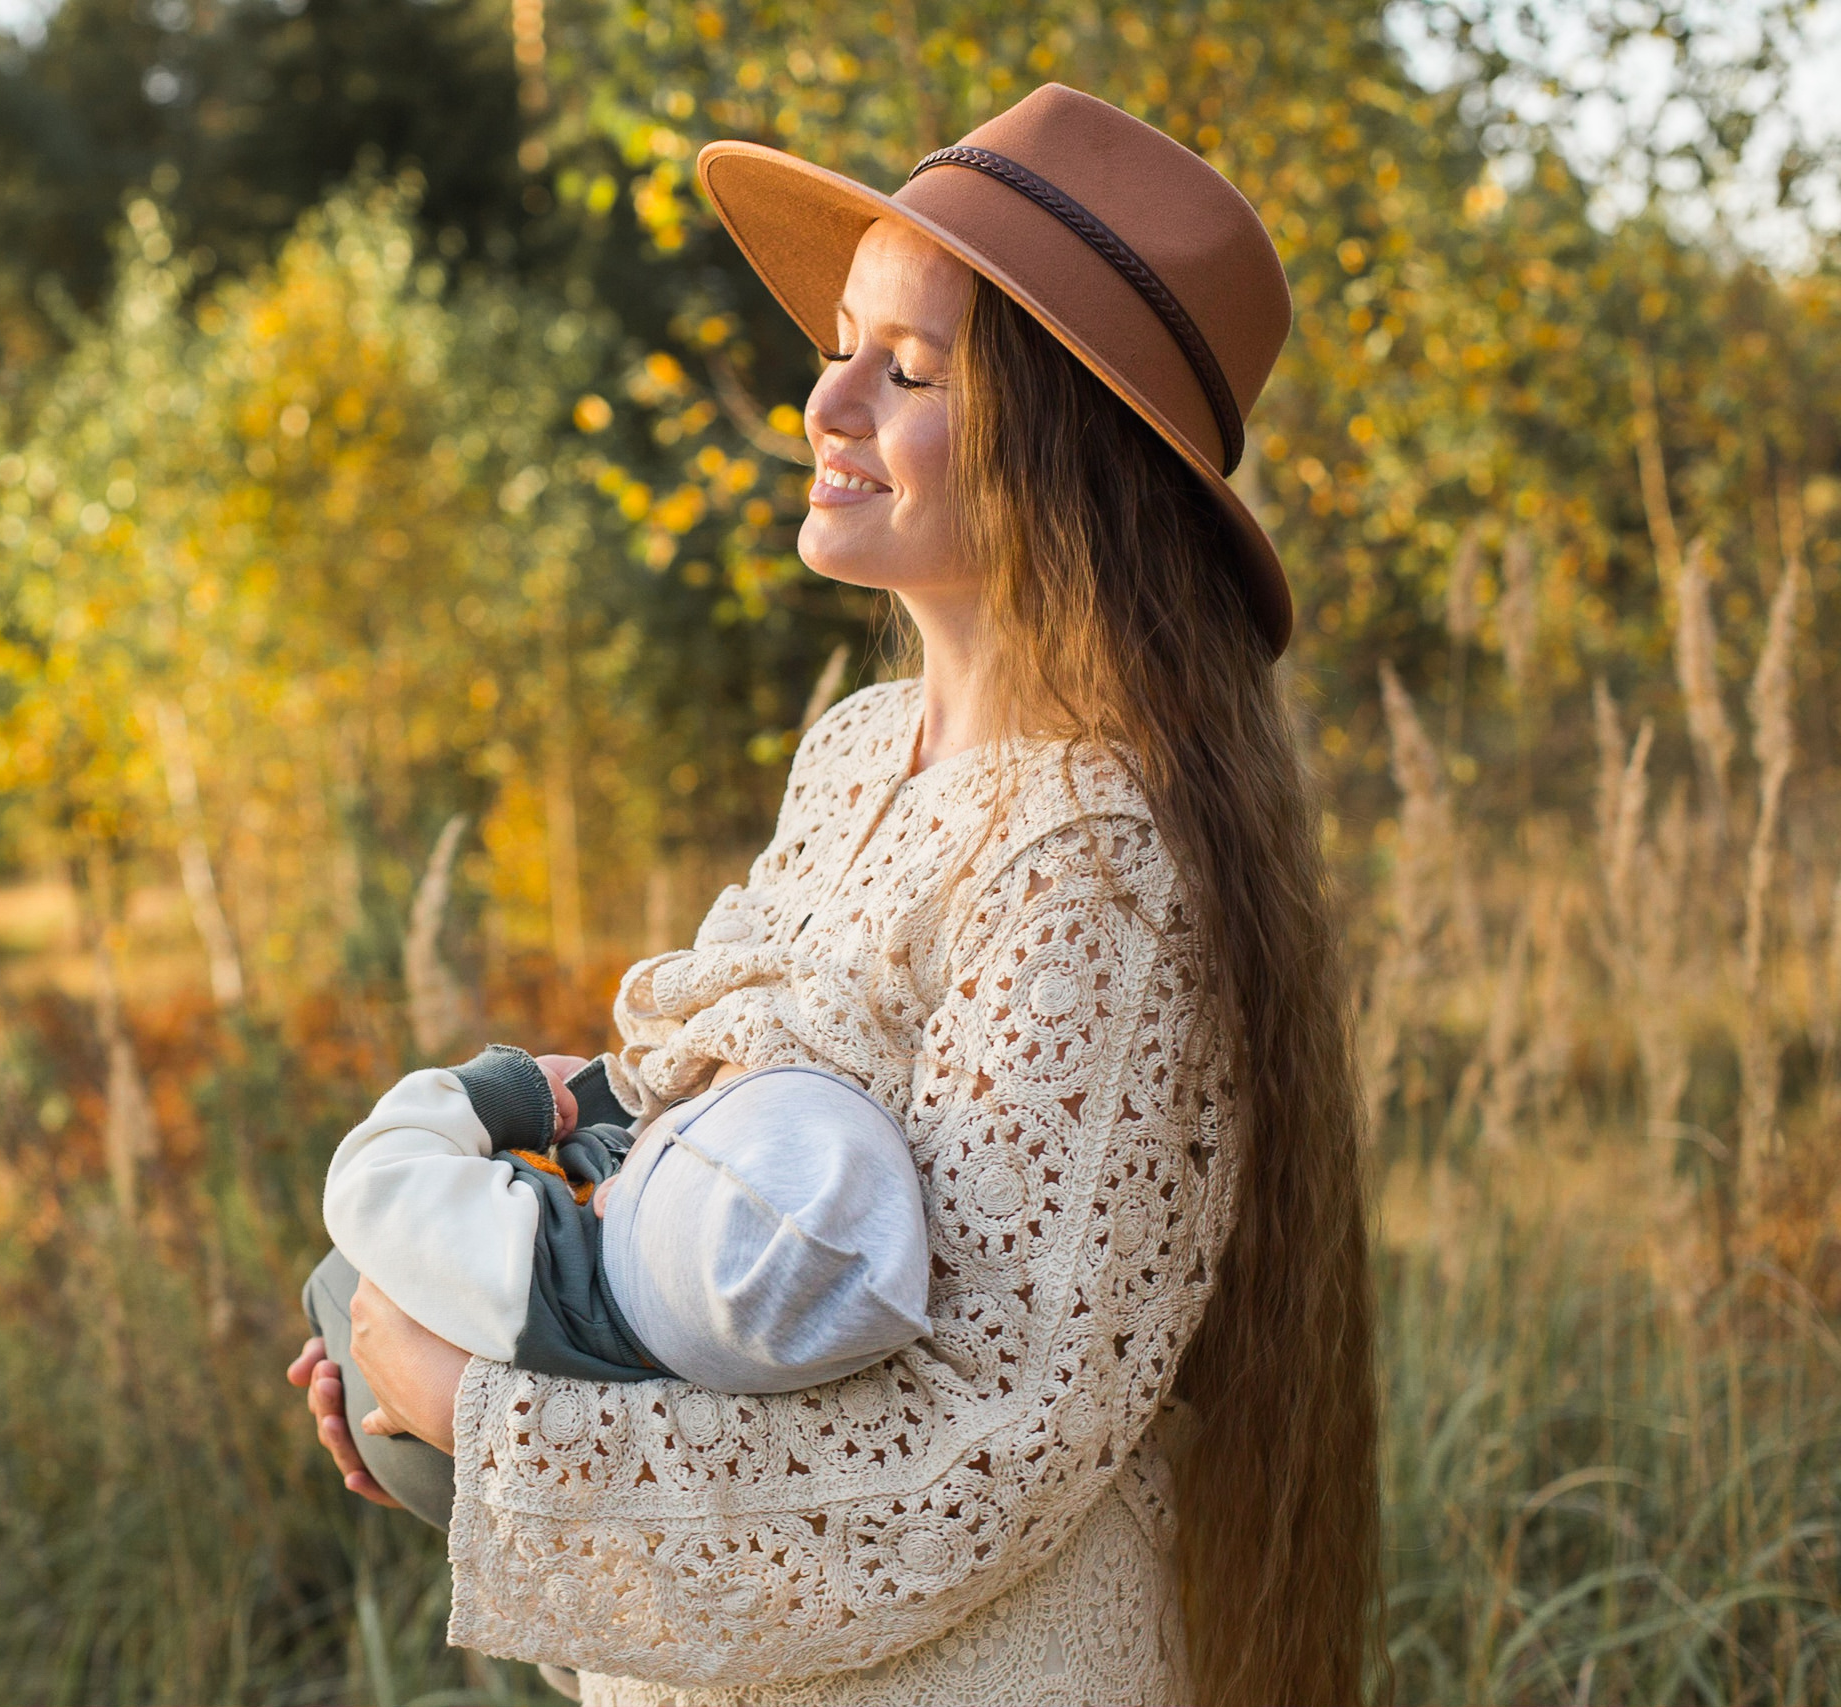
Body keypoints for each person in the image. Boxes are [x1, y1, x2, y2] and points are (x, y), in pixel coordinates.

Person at [289, 82, 1380, 1706]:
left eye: (912, 369)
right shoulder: (860, 753)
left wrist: (471, 1403)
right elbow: (700, 1145)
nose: (828, 404)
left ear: (1070, 446)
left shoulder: (1101, 858)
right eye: (840, 348)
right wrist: (432, 1296)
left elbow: (970, 1450)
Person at [308, 1043, 933, 1528]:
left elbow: (371, 1184)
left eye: (690, 1115)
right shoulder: (706, 1353)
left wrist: (511, 1095)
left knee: (334, 1288)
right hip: (493, 1492)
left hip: (379, 1361)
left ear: (612, 1193)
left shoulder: (526, 1258)